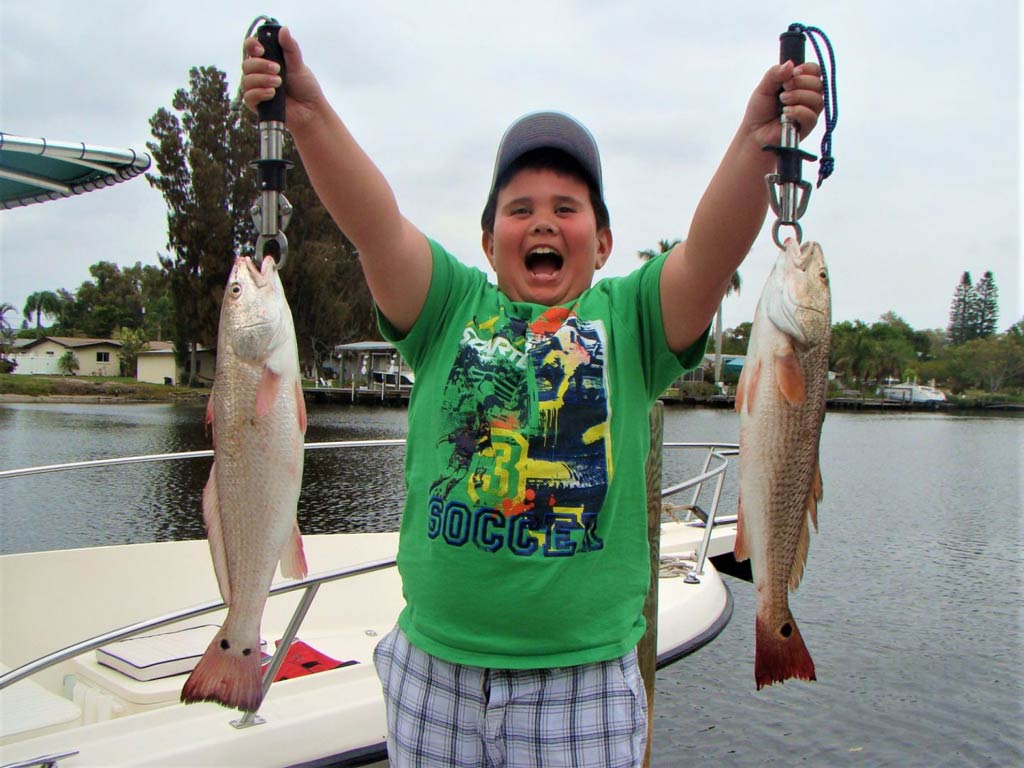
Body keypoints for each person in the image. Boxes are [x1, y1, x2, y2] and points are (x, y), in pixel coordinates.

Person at [243, 27, 823, 768]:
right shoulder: (446, 308)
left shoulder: (633, 322)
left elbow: (710, 251)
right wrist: (308, 112)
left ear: (604, 244)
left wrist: (755, 140)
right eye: (519, 209)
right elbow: (372, 221)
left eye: (566, 207)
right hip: (434, 675)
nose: (543, 221)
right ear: (488, 244)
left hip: (579, 686)